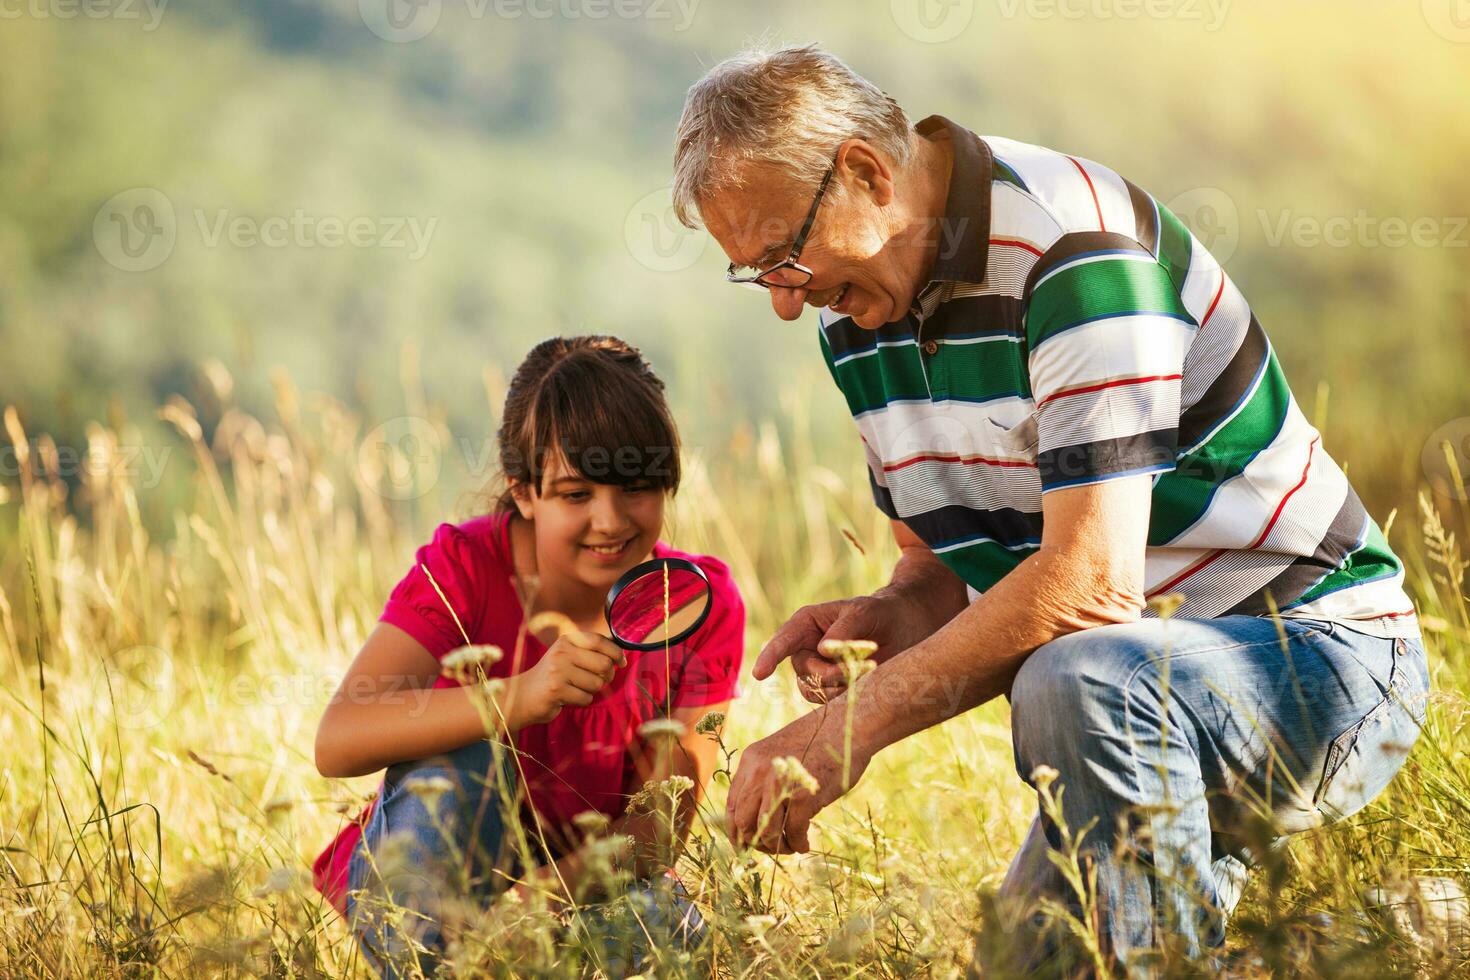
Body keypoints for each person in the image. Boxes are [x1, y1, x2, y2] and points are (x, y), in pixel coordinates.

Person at [672, 44, 1428, 973]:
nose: (788, 306)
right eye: (758, 276)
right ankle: (1395, 931)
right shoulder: (854, 312)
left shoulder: (1073, 250)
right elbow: (943, 567)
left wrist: (847, 730)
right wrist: (887, 622)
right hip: (1136, 691)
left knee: (1076, 679)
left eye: (786, 257)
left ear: (866, 172)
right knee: (1030, 963)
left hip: (1318, 660)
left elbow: (1089, 586)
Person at [311, 335, 744, 977]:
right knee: (470, 751)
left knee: (675, 945)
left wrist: (532, 908)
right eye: (576, 494)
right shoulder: (462, 568)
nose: (611, 520)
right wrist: (522, 695)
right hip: (431, 891)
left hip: (582, 893)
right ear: (523, 493)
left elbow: (658, 829)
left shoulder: (696, 602)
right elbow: (338, 740)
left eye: (638, 487)